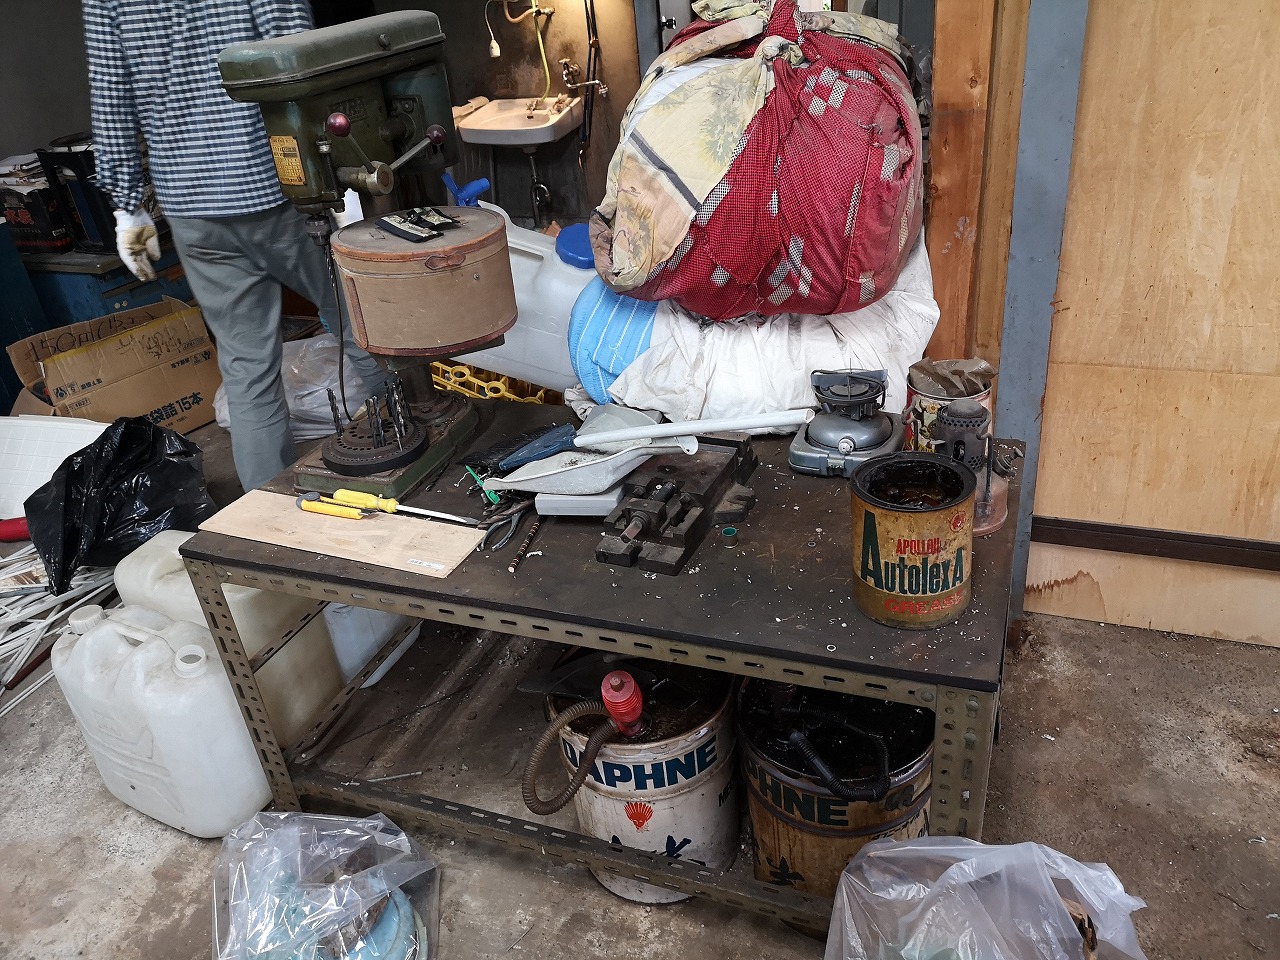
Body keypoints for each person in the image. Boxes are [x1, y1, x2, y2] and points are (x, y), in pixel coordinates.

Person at [83, 0, 384, 490]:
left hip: (191, 206)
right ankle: (409, 442)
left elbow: (111, 96)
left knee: (248, 370)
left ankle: (265, 513)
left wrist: (127, 207)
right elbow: (294, 55)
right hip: (277, 188)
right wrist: (334, 170)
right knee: (362, 320)